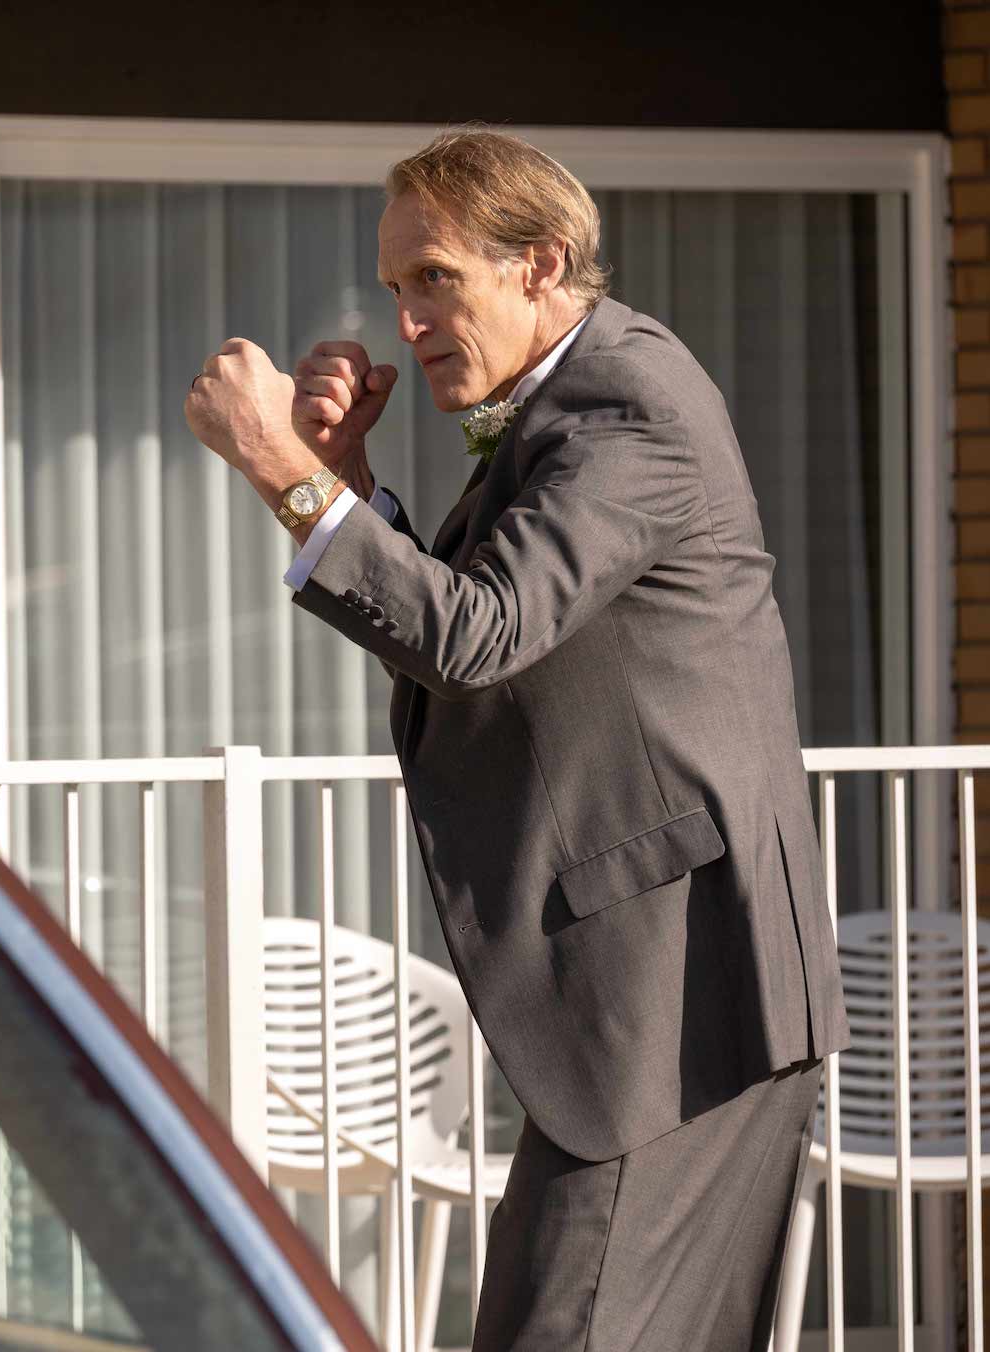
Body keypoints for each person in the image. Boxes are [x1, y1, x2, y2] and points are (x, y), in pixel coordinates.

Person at [184, 129, 848, 1350]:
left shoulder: (627, 400)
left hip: (678, 993)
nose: (410, 317)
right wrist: (349, 484)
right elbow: (489, 631)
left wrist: (284, 469)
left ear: (540, 265)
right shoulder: (571, 400)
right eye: (395, 288)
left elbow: (478, 635)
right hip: (645, 998)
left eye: (435, 277)